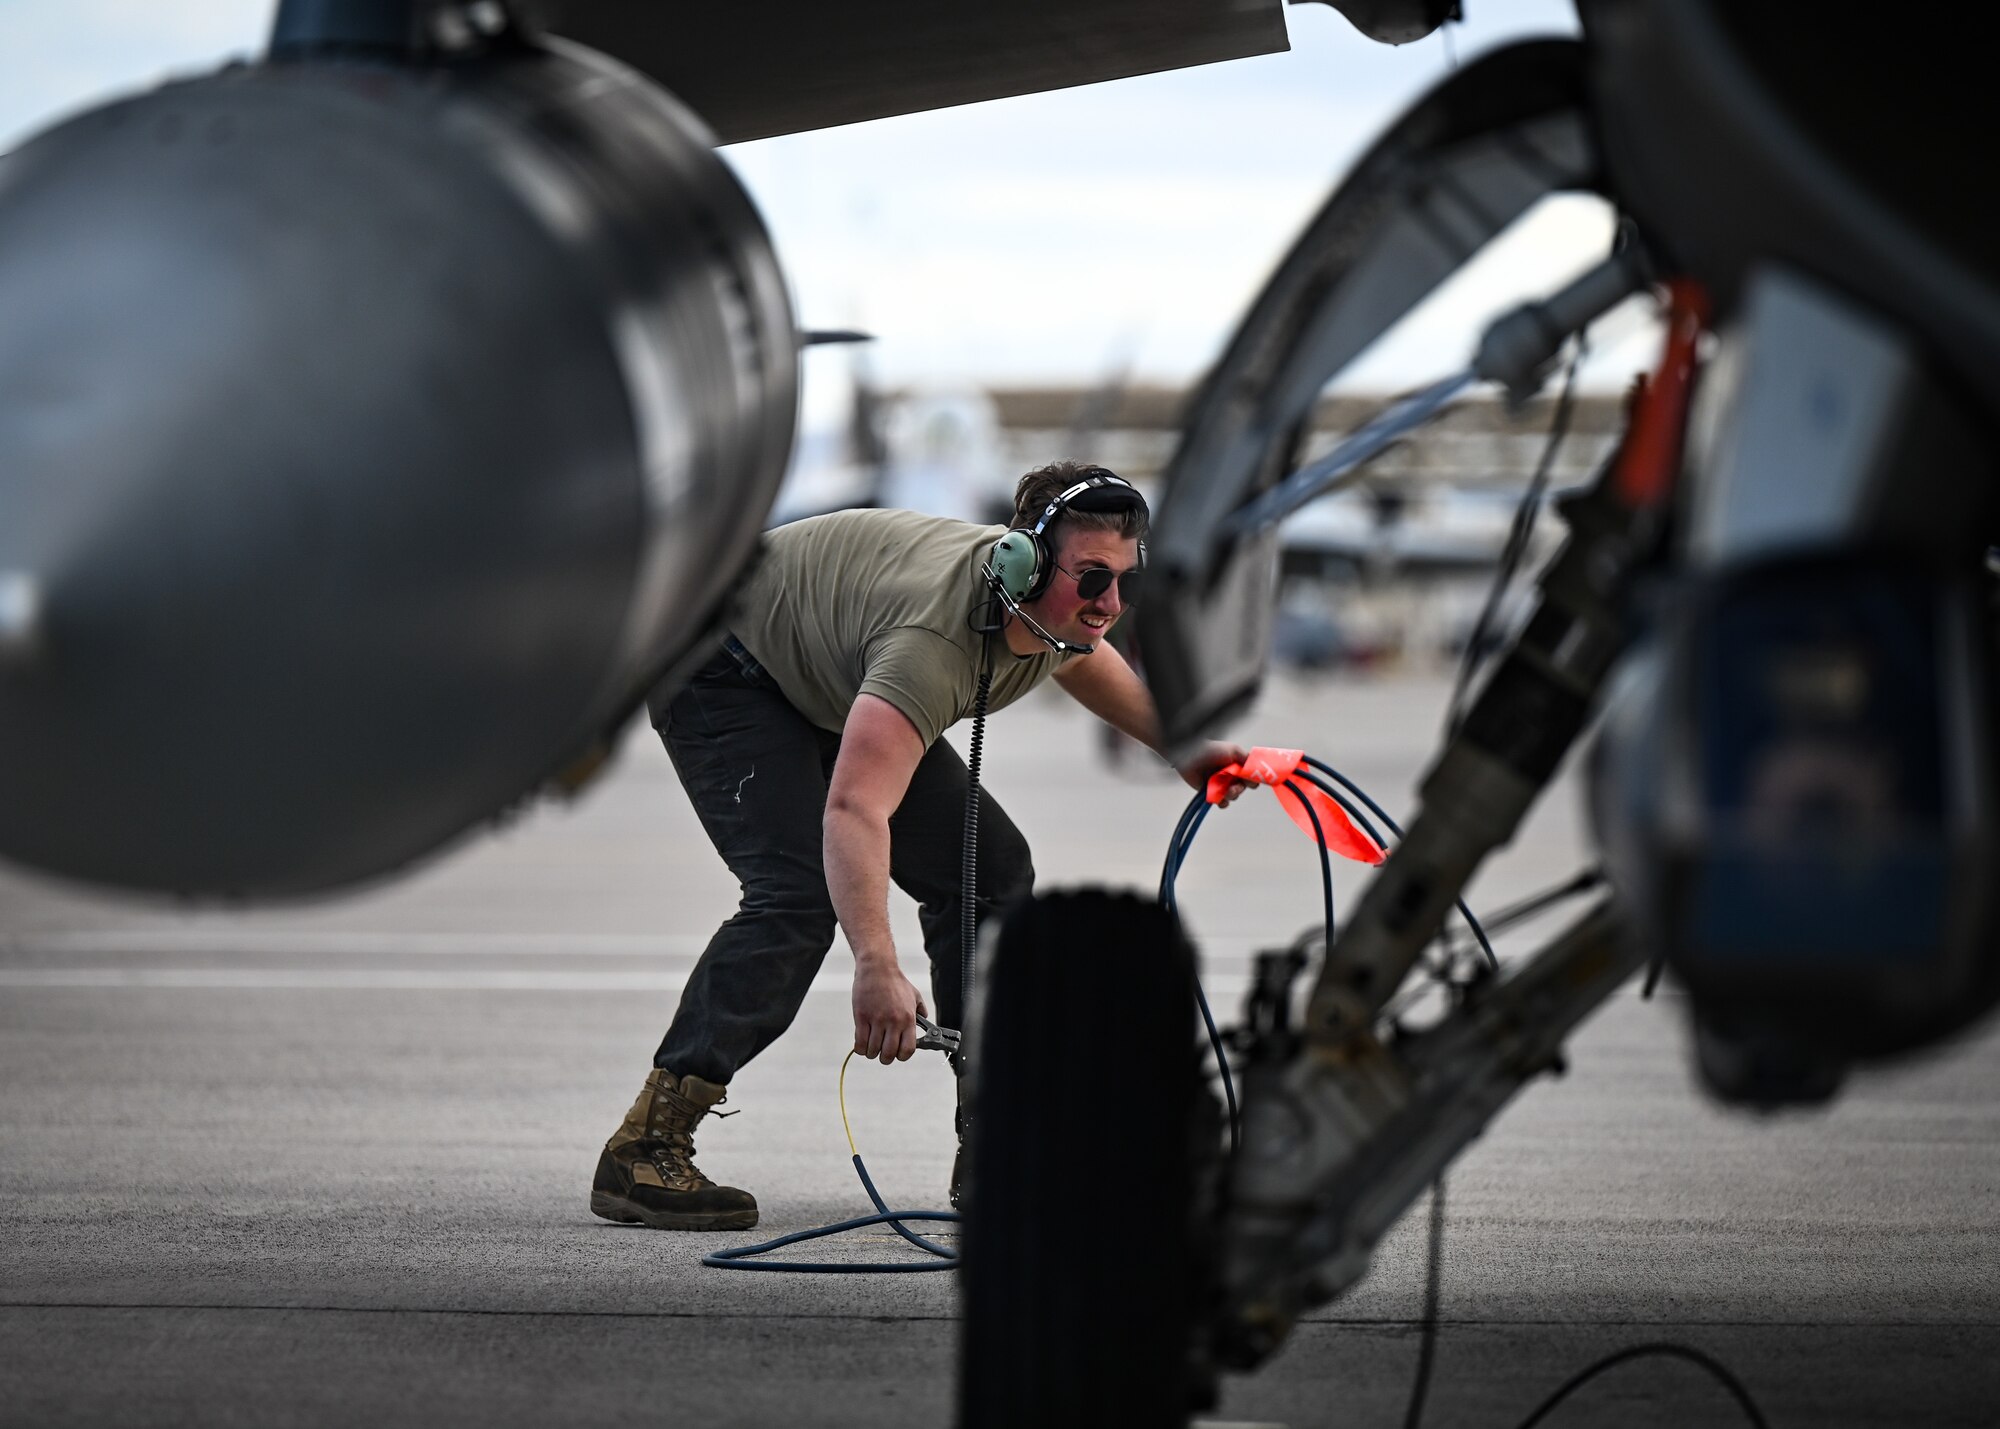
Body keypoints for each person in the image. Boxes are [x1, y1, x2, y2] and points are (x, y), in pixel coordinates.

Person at [590, 461, 1246, 1231]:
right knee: (797, 896)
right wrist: (878, 962)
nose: (1110, 604)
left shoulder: (1047, 608)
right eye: (1093, 578)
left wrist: (1184, 748)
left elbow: (1085, 650)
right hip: (722, 660)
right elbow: (856, 808)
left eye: (1122, 582)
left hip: (831, 669)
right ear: (1025, 562)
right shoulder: (933, 643)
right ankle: (646, 1144)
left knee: (994, 872)